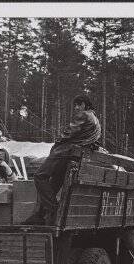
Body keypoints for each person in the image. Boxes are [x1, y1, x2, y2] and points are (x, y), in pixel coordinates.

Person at [22, 94, 101, 225]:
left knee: (39, 176)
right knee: (53, 184)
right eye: (75, 105)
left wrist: (58, 140)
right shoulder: (96, 121)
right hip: (74, 157)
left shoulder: (84, 115)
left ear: (85, 105)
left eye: (78, 104)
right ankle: (40, 216)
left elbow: (68, 133)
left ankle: (53, 209)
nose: (76, 108)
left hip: (64, 152)